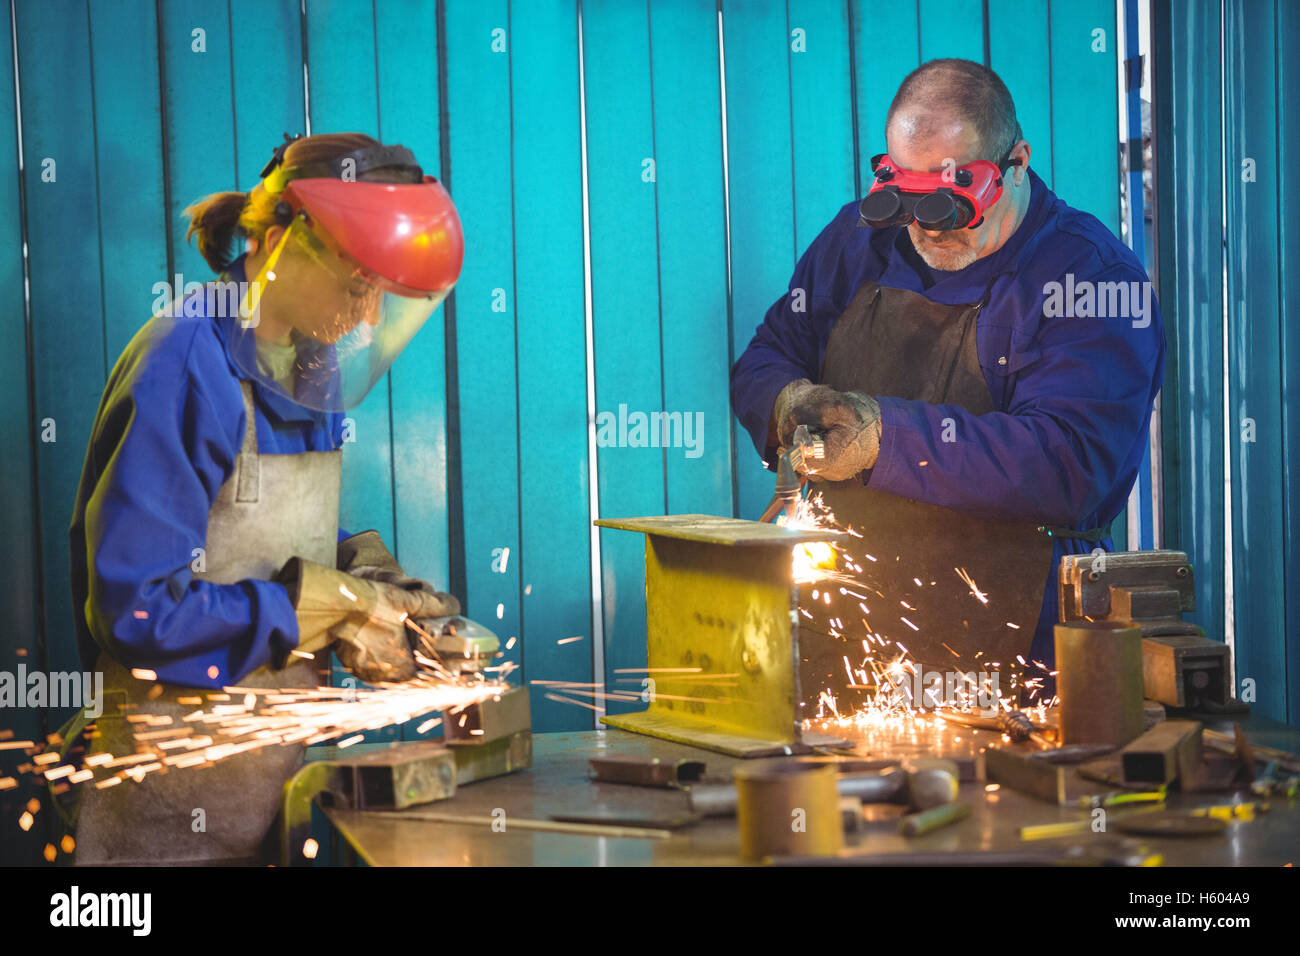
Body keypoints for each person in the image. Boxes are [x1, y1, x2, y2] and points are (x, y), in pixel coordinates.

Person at [62, 132, 464, 864]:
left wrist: (366, 575)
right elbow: (137, 608)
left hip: (265, 796)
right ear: (278, 242)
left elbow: (247, 522)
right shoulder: (182, 367)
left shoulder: (304, 359)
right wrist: (324, 609)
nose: (369, 317)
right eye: (355, 286)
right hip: (160, 811)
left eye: (380, 292)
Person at [730, 60, 1164, 706]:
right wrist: (788, 401)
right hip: (849, 630)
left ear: (1017, 160)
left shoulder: (1090, 278)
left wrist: (885, 440)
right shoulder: (858, 241)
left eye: (952, 206)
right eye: (907, 204)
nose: (928, 230)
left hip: (1012, 639)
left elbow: (1073, 463)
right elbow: (768, 354)